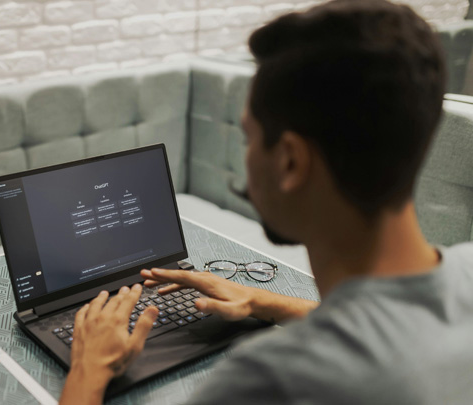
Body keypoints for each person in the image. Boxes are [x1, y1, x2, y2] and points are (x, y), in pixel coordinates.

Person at [59, 0, 473, 403]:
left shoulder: (272, 381)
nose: (246, 155)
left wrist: (88, 370)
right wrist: (264, 301)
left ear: (290, 161)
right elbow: (394, 326)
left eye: (248, 137)